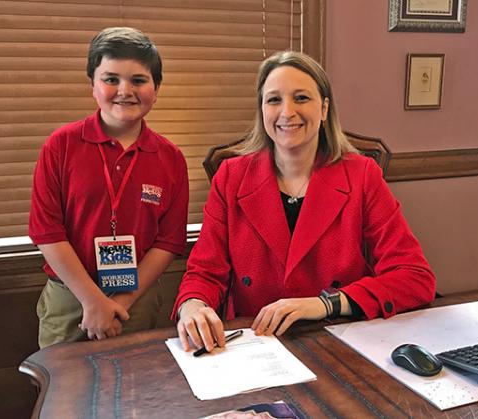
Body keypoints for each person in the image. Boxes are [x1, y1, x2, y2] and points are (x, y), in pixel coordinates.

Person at [172, 50, 435, 353]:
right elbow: (205, 272)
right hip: (256, 344)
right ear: (262, 110)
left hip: (339, 339)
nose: (287, 112)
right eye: (274, 100)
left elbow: (415, 277)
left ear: (324, 109)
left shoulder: (362, 176)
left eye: (301, 98)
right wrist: (192, 306)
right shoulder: (230, 177)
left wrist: (326, 304)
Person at [29, 27, 189, 348]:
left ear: (156, 89)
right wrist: (93, 301)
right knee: (67, 395)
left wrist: (121, 304)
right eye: (111, 78)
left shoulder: (170, 158)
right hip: (69, 297)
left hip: (136, 300)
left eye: (139, 80)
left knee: (138, 393)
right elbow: (47, 232)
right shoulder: (61, 145)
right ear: (93, 85)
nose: (124, 90)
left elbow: (169, 241)